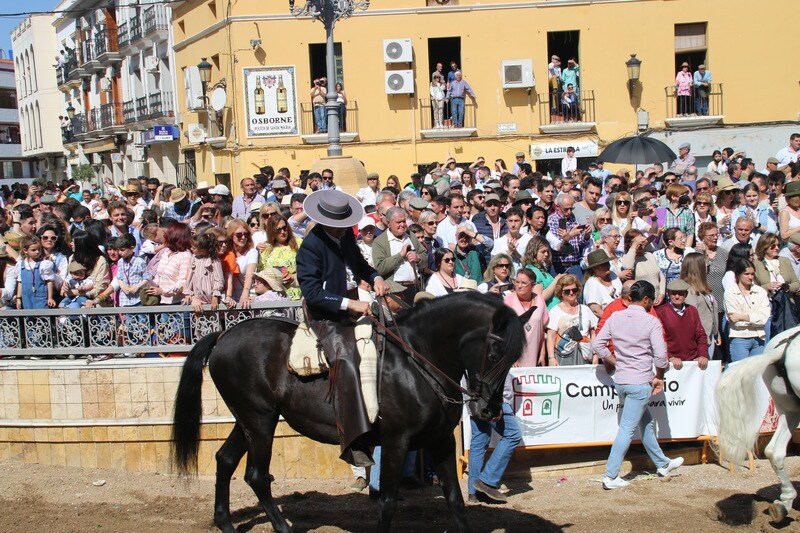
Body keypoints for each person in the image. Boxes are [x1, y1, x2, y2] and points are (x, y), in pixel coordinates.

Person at [296, 190, 388, 467]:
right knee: (346, 359)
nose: (345, 227)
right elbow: (312, 293)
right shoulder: (310, 246)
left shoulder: (345, 236)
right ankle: (354, 439)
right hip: (325, 315)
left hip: (352, 306)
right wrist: (351, 304)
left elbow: (359, 266)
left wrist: (376, 276)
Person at [593, 280, 683, 489]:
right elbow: (661, 357)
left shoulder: (616, 316)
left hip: (622, 381)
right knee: (628, 428)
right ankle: (610, 476)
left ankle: (662, 463)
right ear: (646, 300)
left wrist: (615, 361)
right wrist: (659, 375)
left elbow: (598, 344)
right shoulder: (651, 322)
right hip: (640, 380)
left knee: (646, 422)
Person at [467, 370, 522, 503]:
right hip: (493, 400)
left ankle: (474, 493)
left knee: (479, 442)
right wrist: (497, 404)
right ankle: (487, 480)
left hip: (473, 398)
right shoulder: (491, 349)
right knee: (513, 434)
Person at [372, 206, 426, 305]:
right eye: (398, 222)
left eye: (404, 221)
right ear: (388, 223)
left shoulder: (411, 235)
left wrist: (418, 257)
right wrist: (400, 255)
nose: (402, 225)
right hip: (396, 291)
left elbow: (425, 257)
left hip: (416, 287)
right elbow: (380, 268)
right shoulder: (380, 242)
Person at [655, 279, 709, 370]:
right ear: (668, 294)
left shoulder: (692, 310)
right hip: (672, 362)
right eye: (673, 293)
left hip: (693, 361)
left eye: (680, 294)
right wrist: (670, 356)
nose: (676, 297)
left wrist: (703, 355)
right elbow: (659, 339)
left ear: (686, 295)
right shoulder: (661, 312)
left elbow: (701, 335)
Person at [754, 232, 800, 338]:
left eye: (778, 245)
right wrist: (767, 286)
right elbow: (753, 288)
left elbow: (796, 283)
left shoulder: (784, 261)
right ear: (764, 247)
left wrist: (788, 287)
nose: (776, 248)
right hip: (768, 305)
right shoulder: (757, 264)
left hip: (786, 305)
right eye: (773, 246)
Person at [545, 274, 598, 366]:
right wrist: (551, 358)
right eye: (567, 291)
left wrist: (595, 354)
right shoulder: (555, 311)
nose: (571, 293)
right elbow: (551, 337)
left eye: (574, 290)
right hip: (563, 357)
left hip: (585, 357)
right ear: (561, 292)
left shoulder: (585, 309)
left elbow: (593, 333)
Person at [725, 260, 770, 361]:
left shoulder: (761, 292)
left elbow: (764, 318)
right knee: (740, 373)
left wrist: (742, 317)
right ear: (738, 275)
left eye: (752, 274)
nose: (750, 277)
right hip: (739, 338)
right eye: (746, 274)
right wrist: (755, 320)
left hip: (759, 338)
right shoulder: (730, 293)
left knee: (757, 373)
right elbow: (736, 323)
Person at [504, 267, 549, 366]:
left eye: (524, 283)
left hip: (534, 356)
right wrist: (512, 358)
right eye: (517, 282)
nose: (519, 286)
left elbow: (541, 331)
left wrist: (542, 354)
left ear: (532, 285)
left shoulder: (540, 301)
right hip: (513, 360)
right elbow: (504, 334)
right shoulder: (507, 301)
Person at [681, 253, 719, 359]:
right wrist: (701, 338)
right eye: (706, 265)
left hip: (709, 333)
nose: (708, 267)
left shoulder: (705, 289)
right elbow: (692, 319)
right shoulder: (689, 290)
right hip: (701, 338)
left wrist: (716, 333)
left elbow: (711, 311)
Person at [257, 214, 303, 300]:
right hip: (275, 298)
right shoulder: (265, 248)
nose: (282, 232)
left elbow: (307, 268)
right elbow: (261, 274)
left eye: (284, 228)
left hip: (298, 294)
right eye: (278, 230)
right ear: (272, 231)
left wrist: (293, 276)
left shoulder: (299, 243)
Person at [183, 231, 224, 312]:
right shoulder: (194, 258)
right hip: (197, 300)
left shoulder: (214, 260)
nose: (191, 249)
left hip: (210, 300)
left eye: (194, 248)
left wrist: (215, 296)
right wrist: (188, 293)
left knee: (213, 322)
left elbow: (219, 280)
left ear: (203, 251)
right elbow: (190, 276)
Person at [622, 230, 666, 305]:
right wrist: (634, 246)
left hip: (658, 300)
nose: (640, 244)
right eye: (637, 241)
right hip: (642, 302)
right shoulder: (628, 258)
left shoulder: (650, 255)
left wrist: (661, 294)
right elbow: (627, 266)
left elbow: (661, 277)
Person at [523, 236, 562, 310]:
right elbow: (540, 297)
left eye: (547, 251)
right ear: (534, 252)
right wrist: (556, 281)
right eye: (543, 252)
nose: (546, 254)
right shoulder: (532, 270)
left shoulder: (540, 269)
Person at [16, 236, 55, 309]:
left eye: (39, 249)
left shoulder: (43, 264)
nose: (37, 252)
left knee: (41, 317)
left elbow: (49, 281)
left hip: (40, 298)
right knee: (28, 317)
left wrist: (50, 297)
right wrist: (18, 298)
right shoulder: (21, 265)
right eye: (33, 250)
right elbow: (20, 282)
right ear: (25, 250)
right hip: (26, 298)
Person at [583, 249, 623, 319]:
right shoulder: (591, 283)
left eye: (607, 263)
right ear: (595, 268)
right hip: (605, 321)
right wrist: (614, 321)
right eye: (603, 264)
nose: (607, 265)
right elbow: (596, 310)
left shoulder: (613, 275)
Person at [227, 218, 258, 307]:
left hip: (249, 296)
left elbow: (249, 274)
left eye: (246, 234)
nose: (243, 237)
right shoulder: (227, 252)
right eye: (239, 234)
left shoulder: (252, 252)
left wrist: (245, 294)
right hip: (231, 299)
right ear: (231, 235)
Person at [491, 206, 530, 271]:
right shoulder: (499, 242)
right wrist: (509, 253)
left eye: (516, 221)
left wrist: (516, 253)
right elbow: (494, 266)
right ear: (506, 222)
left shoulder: (528, 240)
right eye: (510, 221)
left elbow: (530, 265)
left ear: (522, 222)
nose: (513, 224)